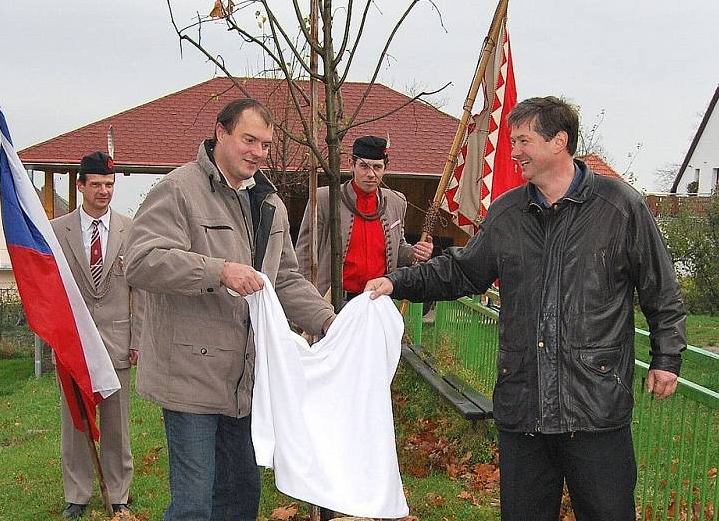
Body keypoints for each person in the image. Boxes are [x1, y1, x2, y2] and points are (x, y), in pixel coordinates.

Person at [366, 96, 686, 521]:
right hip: (524, 408)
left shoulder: (620, 207)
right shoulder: (508, 213)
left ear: (559, 142)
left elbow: (660, 289)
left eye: (522, 140)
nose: (513, 151)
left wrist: (667, 357)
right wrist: (397, 280)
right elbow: (461, 272)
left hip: (595, 407)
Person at [124, 98, 336, 521]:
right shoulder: (179, 189)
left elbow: (286, 280)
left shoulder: (270, 205)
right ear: (221, 133)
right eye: (249, 140)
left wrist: (331, 323)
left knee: (241, 496)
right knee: (194, 505)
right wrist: (218, 270)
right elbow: (141, 260)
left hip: (247, 385)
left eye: (265, 144)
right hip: (190, 379)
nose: (258, 152)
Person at [51, 151, 142, 519]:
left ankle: (118, 493)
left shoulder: (130, 229)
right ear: (81, 186)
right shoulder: (57, 231)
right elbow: (51, 286)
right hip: (74, 344)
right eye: (97, 184)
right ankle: (77, 494)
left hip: (118, 342)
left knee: (117, 424)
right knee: (76, 423)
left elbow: (142, 290)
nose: (104, 191)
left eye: (109, 184)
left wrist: (137, 340)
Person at [296, 135, 433, 301]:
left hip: (377, 301)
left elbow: (398, 250)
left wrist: (415, 253)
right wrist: (304, 301)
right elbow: (304, 254)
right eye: (364, 166)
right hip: (333, 302)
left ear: (385, 168)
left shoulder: (396, 202)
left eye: (377, 167)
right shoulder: (325, 199)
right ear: (351, 165)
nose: (371, 174)